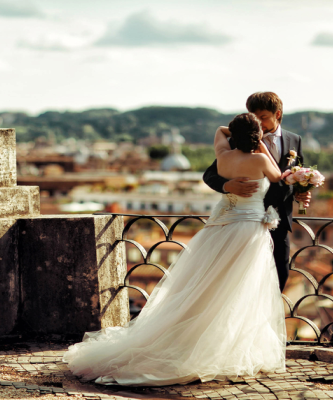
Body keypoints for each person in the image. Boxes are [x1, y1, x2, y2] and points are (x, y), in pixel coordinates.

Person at [63, 113, 286, 387]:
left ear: (235, 136)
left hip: (220, 226)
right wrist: (261, 142)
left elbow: (219, 130)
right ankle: (225, 345)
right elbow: (279, 176)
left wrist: (244, 135)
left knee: (206, 284)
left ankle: (196, 337)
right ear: (256, 136)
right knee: (240, 288)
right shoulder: (260, 159)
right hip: (247, 231)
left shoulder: (223, 157)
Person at [203, 92, 310, 292]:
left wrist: (301, 192)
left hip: (278, 222)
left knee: (279, 278)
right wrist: (228, 186)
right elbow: (209, 175)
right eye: (254, 117)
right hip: (243, 223)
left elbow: (296, 177)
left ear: (277, 114)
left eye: (263, 118)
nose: (259, 123)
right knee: (237, 283)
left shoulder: (295, 140)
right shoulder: (238, 140)